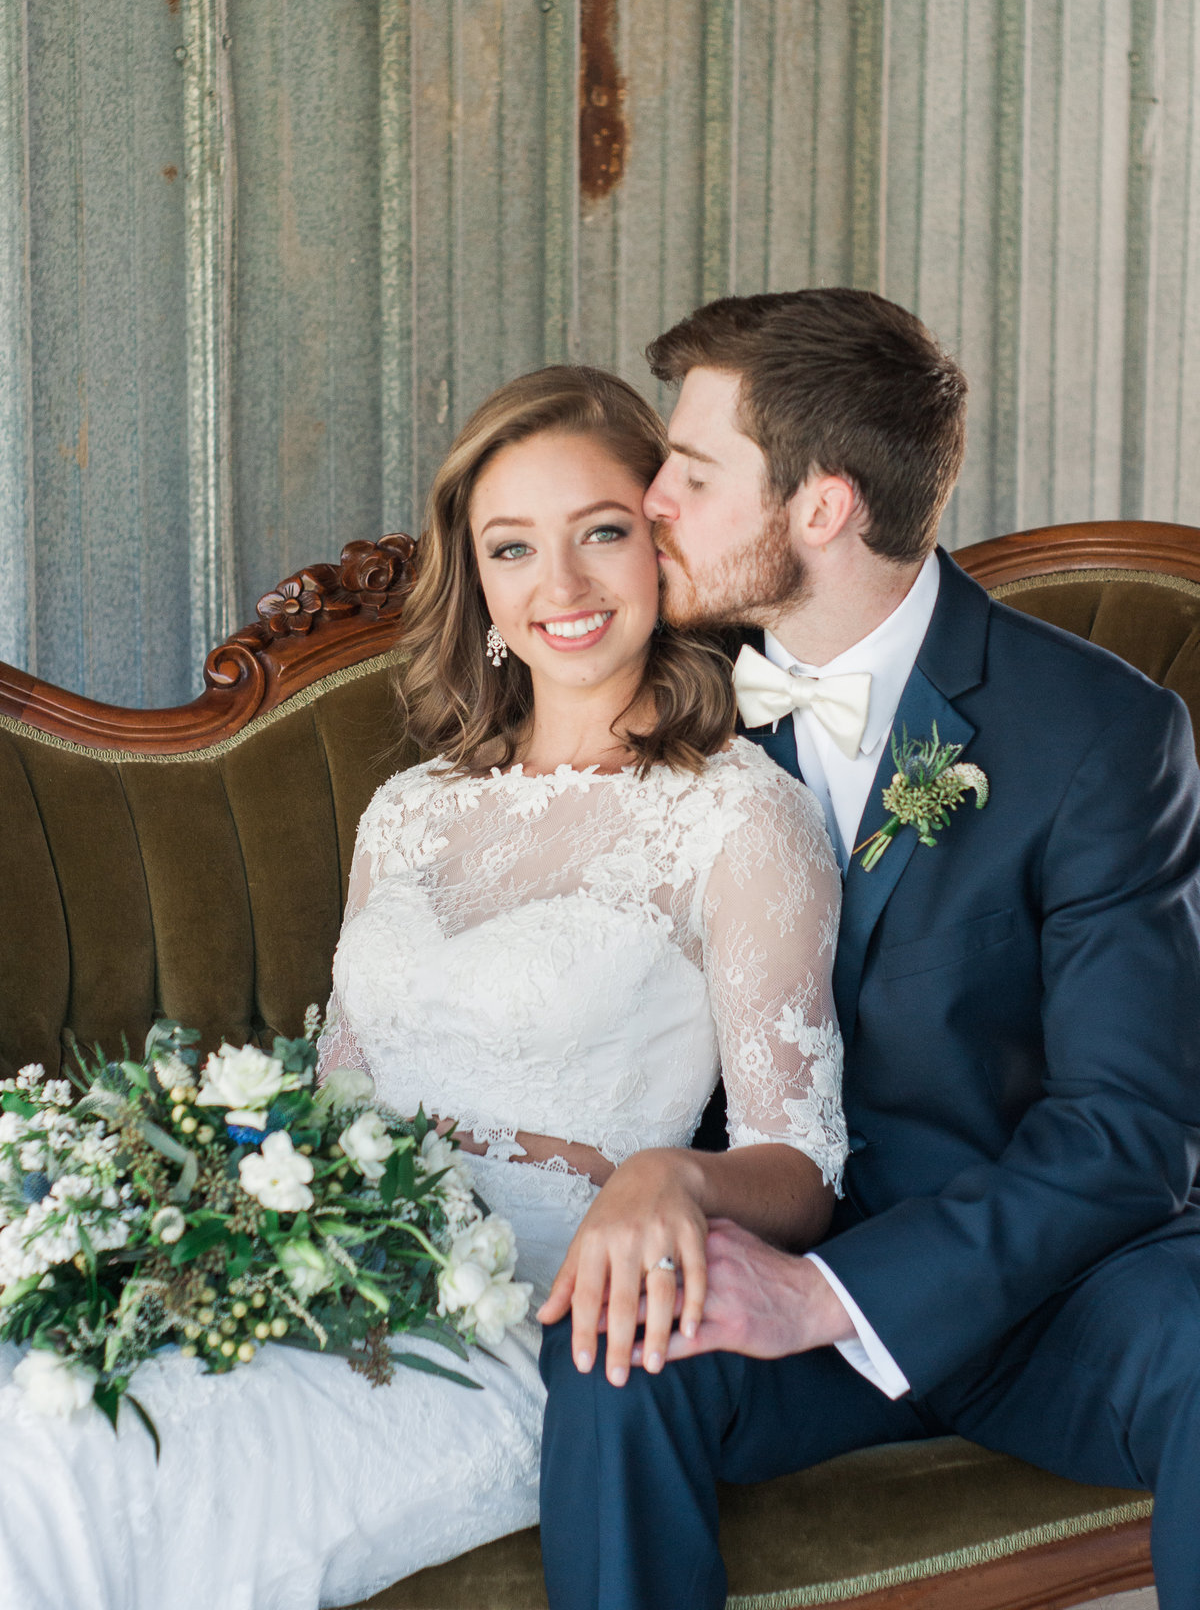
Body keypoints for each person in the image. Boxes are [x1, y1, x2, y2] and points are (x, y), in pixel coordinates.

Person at [0, 364, 847, 1609]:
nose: (559, 588)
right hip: (318, 1275)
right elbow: (332, 1100)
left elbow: (803, 1168)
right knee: (41, 1400)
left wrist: (671, 1180)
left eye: (601, 534)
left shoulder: (738, 816)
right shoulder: (407, 812)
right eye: (513, 550)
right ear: (482, 586)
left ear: (664, 549)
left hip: (510, 1328)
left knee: (71, 1465)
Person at [536, 288, 1200, 1610]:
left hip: (1048, 1293)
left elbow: (1130, 1131)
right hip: (762, 1253)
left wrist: (837, 1295)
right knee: (613, 1354)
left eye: (696, 470)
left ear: (824, 508)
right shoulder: (660, 698)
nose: (653, 496)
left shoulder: (1103, 737)